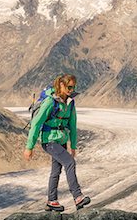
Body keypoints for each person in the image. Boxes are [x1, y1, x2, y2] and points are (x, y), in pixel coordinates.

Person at [24, 74, 90, 211]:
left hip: (61, 140)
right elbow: (36, 123)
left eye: (73, 87)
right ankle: (78, 197)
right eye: (69, 86)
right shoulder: (50, 102)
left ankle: (51, 201)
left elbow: (72, 124)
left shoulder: (70, 103)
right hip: (49, 140)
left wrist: (73, 145)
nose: (71, 89)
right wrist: (29, 147)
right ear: (61, 85)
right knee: (70, 162)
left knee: (56, 170)